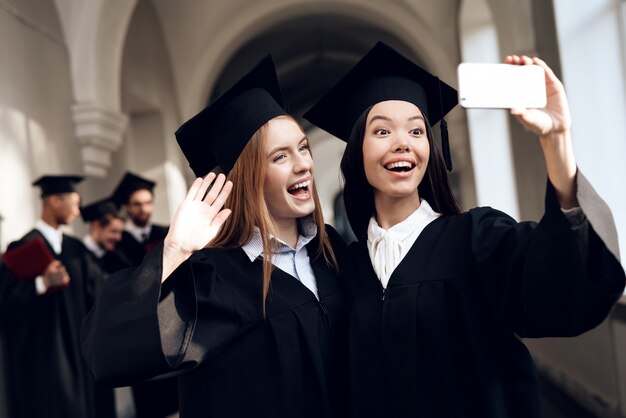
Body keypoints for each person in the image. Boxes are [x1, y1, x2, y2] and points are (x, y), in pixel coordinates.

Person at [304, 42, 626, 418]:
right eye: (381, 132)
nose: (403, 143)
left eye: (416, 130)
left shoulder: (476, 239)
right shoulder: (345, 268)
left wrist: (557, 143)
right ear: (357, 150)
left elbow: (562, 287)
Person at [82, 55, 347, 418]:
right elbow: (109, 353)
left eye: (303, 147)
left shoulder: (332, 251)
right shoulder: (213, 277)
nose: (303, 164)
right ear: (249, 177)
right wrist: (174, 250)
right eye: (280, 157)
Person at [0, 175, 115, 418]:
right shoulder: (22, 248)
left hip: (79, 350)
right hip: (44, 355)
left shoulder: (76, 249)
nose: (77, 210)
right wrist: (41, 283)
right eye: (73, 203)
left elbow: (100, 288)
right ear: (54, 201)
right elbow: (6, 301)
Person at [112, 171, 169, 265]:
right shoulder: (118, 240)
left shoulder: (164, 233)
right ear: (127, 207)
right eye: (137, 204)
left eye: (148, 203)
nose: (144, 209)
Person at [81, 198, 133, 274]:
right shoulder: (78, 255)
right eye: (113, 231)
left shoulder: (117, 258)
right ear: (96, 225)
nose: (118, 238)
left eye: (120, 232)